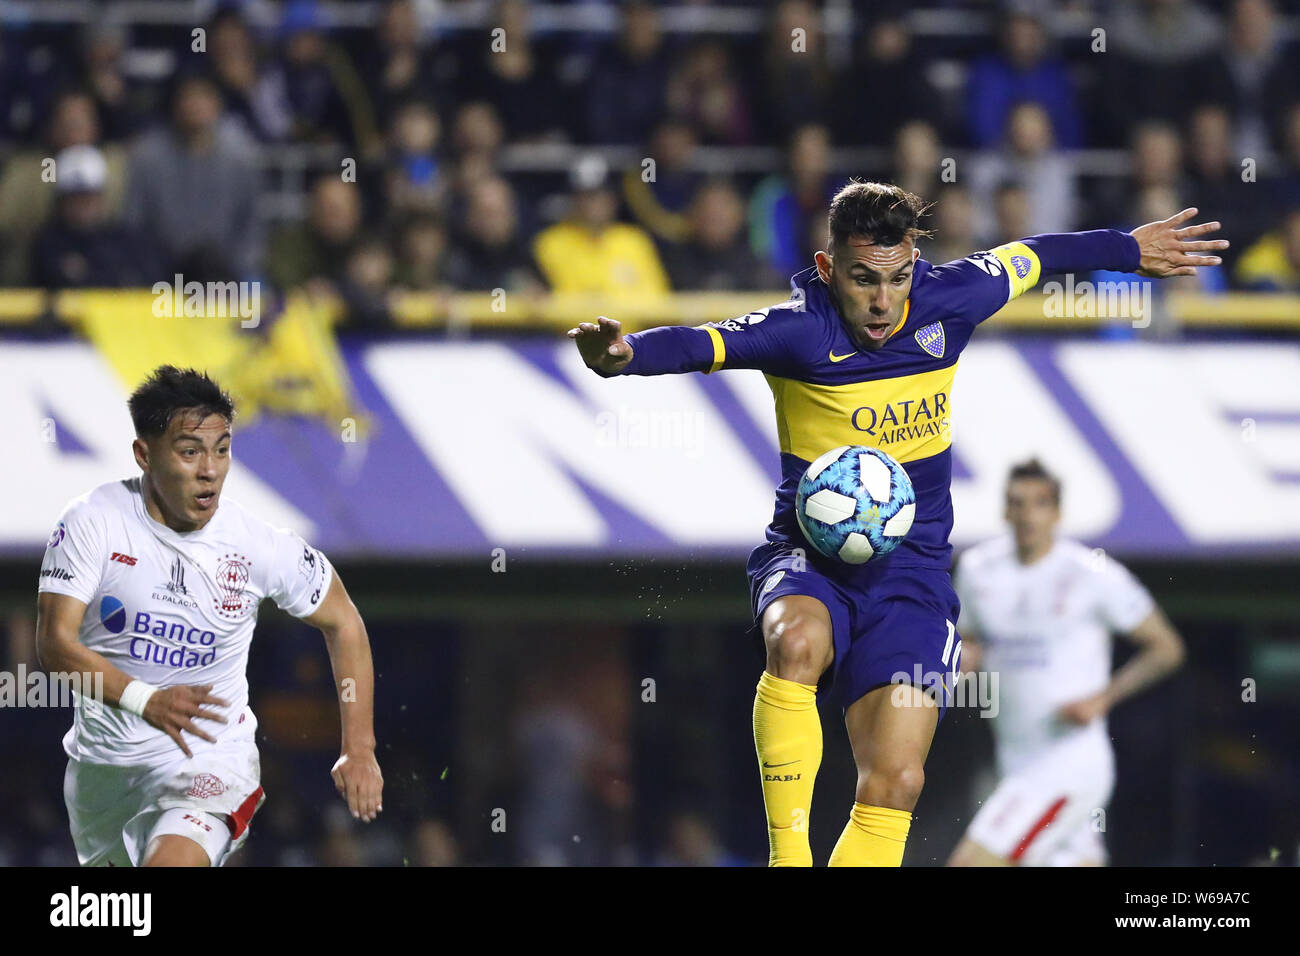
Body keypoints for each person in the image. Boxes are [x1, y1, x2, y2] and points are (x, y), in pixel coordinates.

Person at [569, 180, 1225, 866]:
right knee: (797, 649)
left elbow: (1036, 253)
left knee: (898, 781)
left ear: (915, 263)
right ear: (828, 271)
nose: (883, 301)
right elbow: (699, 344)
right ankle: (787, 858)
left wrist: (1126, 248)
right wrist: (623, 359)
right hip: (808, 558)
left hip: (910, 574)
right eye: (862, 280)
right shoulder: (798, 330)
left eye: (897, 278)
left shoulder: (952, 298)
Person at [36, 366, 383, 866]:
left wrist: (360, 747)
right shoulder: (94, 523)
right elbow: (54, 646)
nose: (211, 470)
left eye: (222, 449)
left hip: (209, 760)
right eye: (190, 451)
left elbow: (343, 621)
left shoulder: (256, 545)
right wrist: (145, 701)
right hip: (103, 774)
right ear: (145, 455)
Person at [947, 460, 1185, 866]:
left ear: (1057, 512)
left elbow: (1166, 648)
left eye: (1039, 503)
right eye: (1016, 503)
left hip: (1068, 761)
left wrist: (1104, 697)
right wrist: (958, 668)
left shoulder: (1092, 573)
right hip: (1013, 759)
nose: (1026, 514)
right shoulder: (977, 570)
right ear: (1005, 511)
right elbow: (968, 642)